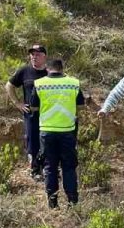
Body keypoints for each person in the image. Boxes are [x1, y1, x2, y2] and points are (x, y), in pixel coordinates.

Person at [29, 58, 85, 208]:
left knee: (49, 167)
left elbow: (33, 108)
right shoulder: (73, 83)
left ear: (47, 69)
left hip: (47, 131)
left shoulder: (39, 84)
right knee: (69, 167)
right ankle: (72, 202)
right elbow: (80, 105)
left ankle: (53, 203)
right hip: (68, 131)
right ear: (62, 68)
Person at [5, 44, 49, 179]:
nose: (34, 57)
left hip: (49, 114)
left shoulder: (50, 72)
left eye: (37, 54)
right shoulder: (24, 71)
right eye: (32, 54)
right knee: (33, 141)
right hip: (31, 114)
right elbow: (9, 85)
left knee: (48, 140)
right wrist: (17, 103)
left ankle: (48, 168)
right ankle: (35, 170)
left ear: (44, 56)